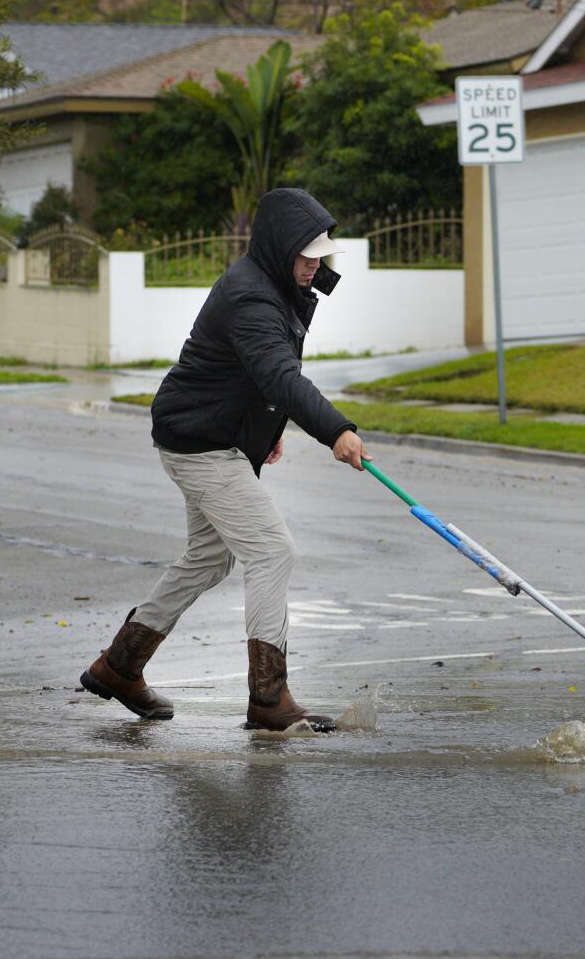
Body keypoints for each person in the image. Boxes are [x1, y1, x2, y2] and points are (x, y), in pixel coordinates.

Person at [80, 188, 369, 732]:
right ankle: (269, 698)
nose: (314, 263)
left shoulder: (281, 284)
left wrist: (266, 432)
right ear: (281, 247)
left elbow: (260, 374)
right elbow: (280, 376)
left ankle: (119, 666)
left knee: (210, 559)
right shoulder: (253, 298)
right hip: (200, 442)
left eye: (319, 254)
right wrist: (336, 431)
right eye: (306, 253)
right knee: (272, 552)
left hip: (209, 434)